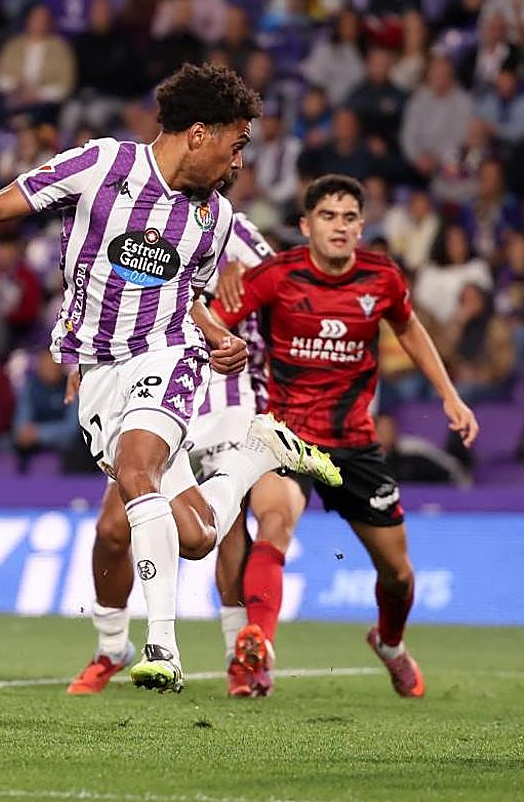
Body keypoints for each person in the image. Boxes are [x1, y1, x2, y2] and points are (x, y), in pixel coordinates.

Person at [0, 63, 341, 694]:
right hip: (97, 371)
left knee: (138, 470)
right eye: (236, 143)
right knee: (194, 536)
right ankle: (257, 455)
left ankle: (160, 645)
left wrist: (216, 339)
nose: (239, 161)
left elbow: (182, 303)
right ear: (199, 134)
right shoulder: (101, 166)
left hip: (166, 357)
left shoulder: (215, 219)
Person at [210, 174, 480, 699]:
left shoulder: (381, 278)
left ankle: (390, 644)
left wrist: (448, 394)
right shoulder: (275, 276)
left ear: (362, 226)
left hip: (354, 445)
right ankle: (257, 649)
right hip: (286, 436)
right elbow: (210, 321)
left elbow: (408, 329)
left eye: (349, 217)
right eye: (327, 217)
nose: (339, 226)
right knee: (273, 524)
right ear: (306, 225)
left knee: (397, 574)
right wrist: (222, 286)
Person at [65, 213, 277, 698]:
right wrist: (86, 358)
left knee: (220, 531)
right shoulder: (137, 213)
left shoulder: (233, 228)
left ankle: (235, 656)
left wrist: (243, 289)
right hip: (146, 387)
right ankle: (111, 645)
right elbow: (105, 296)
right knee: (112, 530)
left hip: (222, 394)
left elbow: (281, 292)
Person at [12, 348, 79, 470]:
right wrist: (26, 434)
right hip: (34, 444)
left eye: (54, 366)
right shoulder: (30, 386)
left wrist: (39, 433)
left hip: (65, 444)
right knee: (14, 445)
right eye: (46, 366)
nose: (50, 370)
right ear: (39, 367)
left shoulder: (71, 386)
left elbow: (72, 428)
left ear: (62, 367)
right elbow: (21, 423)